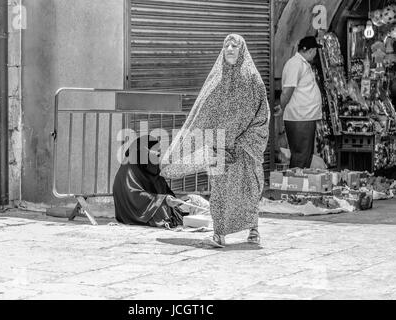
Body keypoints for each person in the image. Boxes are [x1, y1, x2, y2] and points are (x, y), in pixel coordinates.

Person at [161, 34, 270, 247]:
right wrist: (196, 146)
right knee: (220, 192)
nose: (230, 48)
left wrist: (242, 143)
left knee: (249, 189)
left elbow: (262, 117)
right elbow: (202, 114)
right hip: (220, 149)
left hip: (246, 149)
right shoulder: (216, 79)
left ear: (242, 50)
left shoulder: (254, 80)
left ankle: (253, 230)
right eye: (226, 45)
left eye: (234, 45)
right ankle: (219, 234)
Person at [113, 135, 186, 229]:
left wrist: (171, 198)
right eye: (157, 153)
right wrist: (164, 199)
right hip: (132, 211)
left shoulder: (144, 167)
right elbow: (134, 195)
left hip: (146, 204)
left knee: (189, 201)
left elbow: (158, 182)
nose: (158, 157)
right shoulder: (130, 168)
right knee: (163, 209)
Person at [275, 36, 323, 169]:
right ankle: (295, 184)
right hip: (300, 118)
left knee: (305, 155)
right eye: (315, 51)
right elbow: (288, 90)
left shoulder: (302, 63)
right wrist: (281, 106)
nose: (315, 54)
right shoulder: (295, 64)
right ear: (311, 50)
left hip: (306, 117)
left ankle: (301, 184)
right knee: (301, 156)